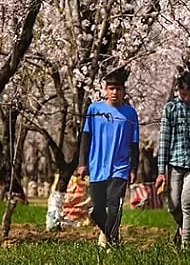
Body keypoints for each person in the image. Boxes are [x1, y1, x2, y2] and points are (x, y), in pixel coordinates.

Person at [76, 67, 139, 248]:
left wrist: (134, 168)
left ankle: (111, 242)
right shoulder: (94, 109)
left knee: (114, 205)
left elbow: (135, 144)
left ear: (123, 91)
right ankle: (112, 237)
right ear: (105, 90)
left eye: (118, 89)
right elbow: (85, 137)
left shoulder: (130, 113)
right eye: (111, 88)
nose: (114, 92)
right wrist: (82, 163)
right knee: (97, 210)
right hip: (97, 166)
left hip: (120, 167)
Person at [156, 68, 190, 248]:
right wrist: (161, 171)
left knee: (187, 201)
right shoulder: (170, 108)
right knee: (173, 204)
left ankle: (187, 246)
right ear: (178, 90)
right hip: (174, 162)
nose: (186, 97)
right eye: (183, 93)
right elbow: (164, 140)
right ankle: (183, 227)